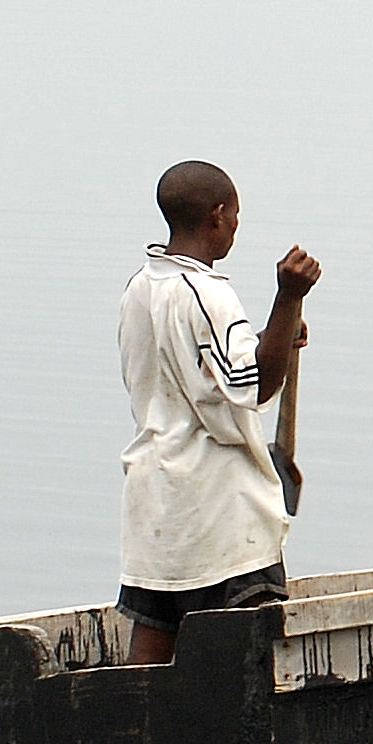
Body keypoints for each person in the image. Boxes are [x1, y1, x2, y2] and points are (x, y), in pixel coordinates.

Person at [117, 159, 320, 663]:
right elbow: (255, 386)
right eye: (235, 216)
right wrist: (288, 297)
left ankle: (129, 713)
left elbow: (199, 371)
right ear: (217, 216)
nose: (235, 227)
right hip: (220, 512)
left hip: (157, 502)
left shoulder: (142, 287)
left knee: (154, 638)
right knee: (247, 655)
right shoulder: (208, 293)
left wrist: (277, 337)